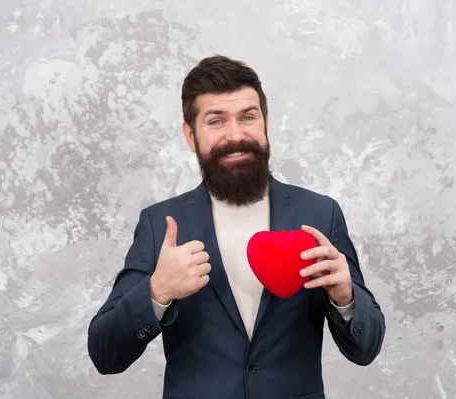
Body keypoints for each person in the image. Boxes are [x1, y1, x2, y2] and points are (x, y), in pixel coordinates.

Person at [87, 55, 386, 399]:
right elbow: (105, 355)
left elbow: (366, 349)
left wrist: (346, 298)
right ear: (190, 135)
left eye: (247, 117)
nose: (236, 134)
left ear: (266, 122)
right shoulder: (161, 224)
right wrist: (156, 292)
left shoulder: (320, 213)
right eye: (216, 121)